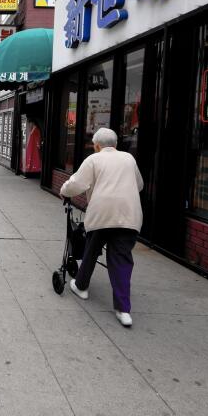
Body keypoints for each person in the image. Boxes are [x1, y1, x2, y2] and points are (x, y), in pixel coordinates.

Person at [59, 127, 143, 327]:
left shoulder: (94, 159)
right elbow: (139, 185)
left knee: (91, 250)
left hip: (102, 214)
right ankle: (124, 311)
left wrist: (64, 191)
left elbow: (76, 183)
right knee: (121, 260)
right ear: (115, 144)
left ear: (96, 145)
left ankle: (81, 286)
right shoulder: (129, 159)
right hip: (128, 215)